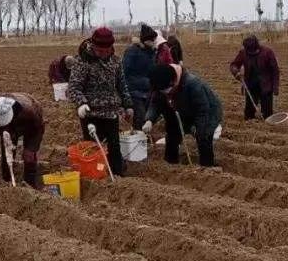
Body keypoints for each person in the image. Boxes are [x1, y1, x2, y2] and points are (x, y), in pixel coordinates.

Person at [68, 26, 134, 178]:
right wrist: (81, 103)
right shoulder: (82, 62)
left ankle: (117, 176)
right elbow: (74, 87)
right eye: (99, 50)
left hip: (111, 113)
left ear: (111, 47)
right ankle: (96, 176)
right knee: (92, 149)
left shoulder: (116, 62)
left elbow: (122, 85)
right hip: (91, 113)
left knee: (114, 147)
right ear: (93, 45)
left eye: (106, 50)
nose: (103, 54)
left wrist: (128, 105)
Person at [143, 63, 223, 168]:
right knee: (172, 133)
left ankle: (207, 166)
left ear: (172, 82)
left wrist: (197, 128)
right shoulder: (160, 83)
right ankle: (171, 162)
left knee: (203, 136)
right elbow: (155, 103)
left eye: (165, 90)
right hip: (179, 110)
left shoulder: (192, 84)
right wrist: (149, 119)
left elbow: (202, 110)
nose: (164, 92)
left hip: (207, 112)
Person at [0, 94, 45, 188]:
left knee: (29, 156)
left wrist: (32, 148)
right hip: (10, 129)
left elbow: (38, 129)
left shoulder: (29, 111)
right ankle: (7, 181)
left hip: (31, 127)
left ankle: (30, 183)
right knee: (7, 153)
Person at [230, 35, 280, 121]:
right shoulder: (243, 53)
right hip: (250, 86)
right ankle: (251, 125)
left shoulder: (267, 52)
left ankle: (266, 127)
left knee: (267, 114)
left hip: (266, 86)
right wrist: (236, 72)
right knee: (248, 115)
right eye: (248, 51)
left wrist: (275, 87)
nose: (250, 53)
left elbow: (275, 70)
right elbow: (234, 65)